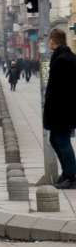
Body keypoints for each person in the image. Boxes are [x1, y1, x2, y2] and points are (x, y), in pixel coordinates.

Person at [43, 29, 76, 189]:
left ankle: (72, 176)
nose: (48, 42)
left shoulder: (63, 60)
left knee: (62, 141)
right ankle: (67, 173)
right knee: (55, 140)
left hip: (62, 110)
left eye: (50, 40)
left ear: (54, 41)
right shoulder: (64, 58)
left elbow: (62, 89)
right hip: (62, 109)